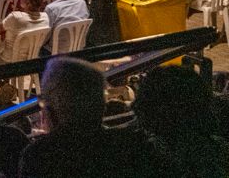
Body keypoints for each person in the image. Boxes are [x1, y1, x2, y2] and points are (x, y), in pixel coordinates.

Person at [19, 57, 159, 178]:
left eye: (44, 102)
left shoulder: (39, 157)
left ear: (53, 110)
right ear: (102, 106)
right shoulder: (129, 146)